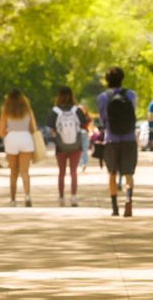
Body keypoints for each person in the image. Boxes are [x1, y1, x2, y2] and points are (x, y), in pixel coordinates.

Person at [97, 67, 138, 217]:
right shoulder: (131, 94)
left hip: (111, 139)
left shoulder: (103, 97)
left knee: (112, 173)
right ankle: (128, 199)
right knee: (128, 174)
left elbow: (103, 118)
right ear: (122, 78)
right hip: (129, 138)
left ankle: (114, 208)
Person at [47, 86, 89, 207]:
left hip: (61, 146)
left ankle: (61, 197)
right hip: (76, 145)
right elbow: (83, 125)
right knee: (73, 172)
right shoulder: (77, 110)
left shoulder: (55, 111)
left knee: (61, 172)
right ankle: (74, 197)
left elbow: (51, 129)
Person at [0, 89, 37, 207]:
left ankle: (13, 199)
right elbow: (33, 128)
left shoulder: (6, 111)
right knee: (25, 172)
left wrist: (8, 134)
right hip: (25, 138)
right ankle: (27, 196)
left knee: (13, 172)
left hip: (12, 139)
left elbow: (0, 131)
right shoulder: (27, 111)